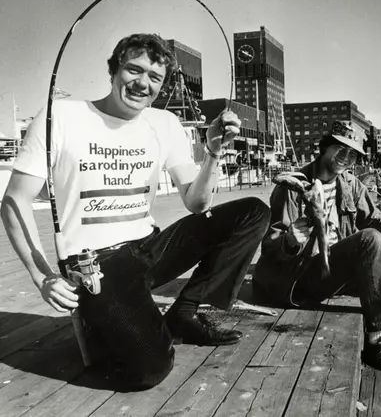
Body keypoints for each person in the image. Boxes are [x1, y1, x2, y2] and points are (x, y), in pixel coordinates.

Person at [0, 33, 270, 390]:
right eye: (134, 70)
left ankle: (185, 312)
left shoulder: (165, 123)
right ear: (113, 70)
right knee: (149, 370)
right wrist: (43, 276)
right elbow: (14, 200)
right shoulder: (60, 116)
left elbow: (197, 203)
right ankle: (110, 324)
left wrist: (213, 152)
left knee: (253, 212)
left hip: (150, 246)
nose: (143, 83)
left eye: (154, 77)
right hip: (96, 263)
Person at [253, 120, 381, 374]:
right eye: (340, 149)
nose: (346, 157)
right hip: (301, 279)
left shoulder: (351, 184)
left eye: (352, 154)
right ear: (324, 147)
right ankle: (377, 336)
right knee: (369, 239)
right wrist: (289, 242)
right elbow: (269, 247)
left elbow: (375, 219)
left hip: (337, 273)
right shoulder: (292, 186)